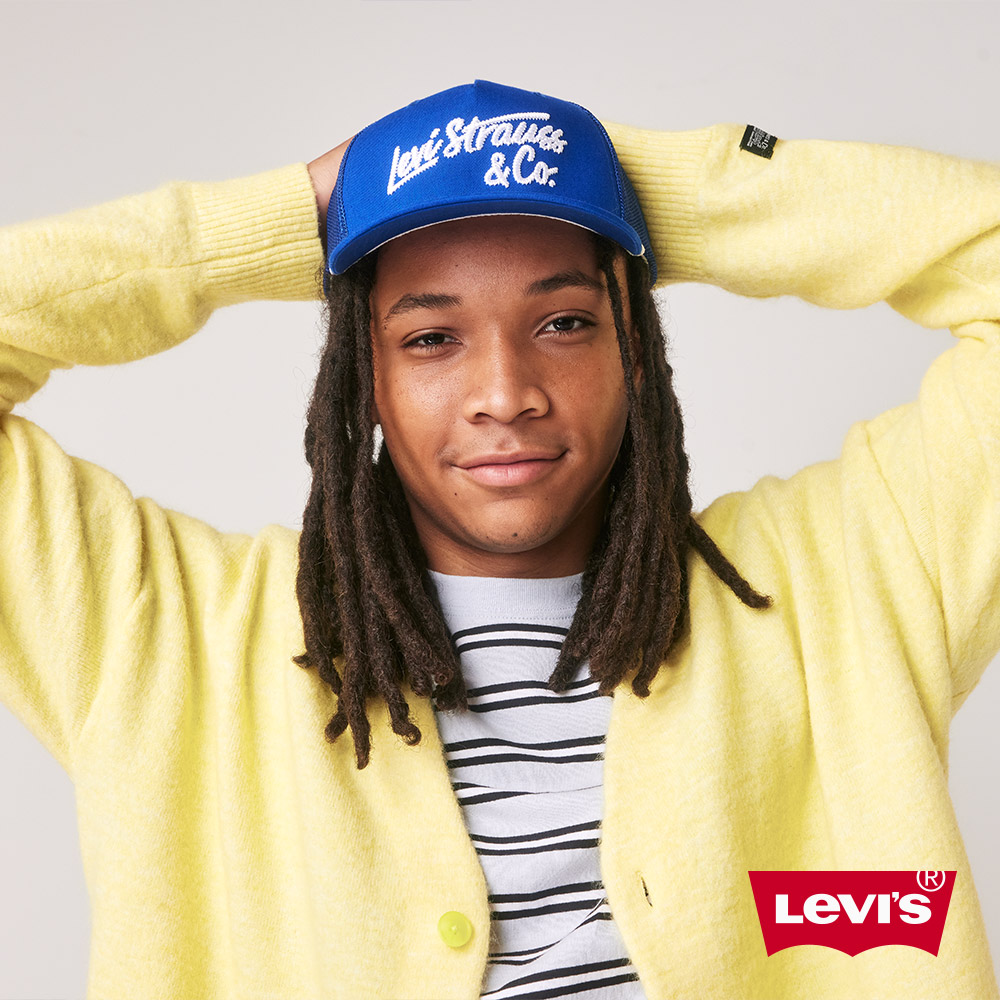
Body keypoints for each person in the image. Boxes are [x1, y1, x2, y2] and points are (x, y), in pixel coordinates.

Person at [0, 78, 997, 1000]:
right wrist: (284, 216)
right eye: (430, 338)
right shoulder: (160, 635)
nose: (505, 395)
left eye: (564, 321)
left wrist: (629, 188)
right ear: (363, 376)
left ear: (637, 347)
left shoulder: (854, 573)